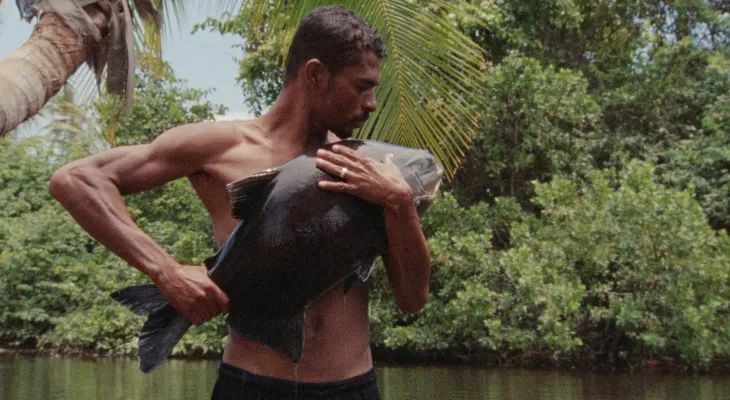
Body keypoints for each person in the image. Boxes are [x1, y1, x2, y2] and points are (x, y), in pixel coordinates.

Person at [49, 5, 431, 400]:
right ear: (315, 74)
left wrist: (400, 203)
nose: (371, 104)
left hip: (352, 387)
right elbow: (75, 180)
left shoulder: (369, 168)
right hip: (251, 386)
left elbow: (412, 300)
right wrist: (165, 271)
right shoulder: (222, 147)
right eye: (361, 86)